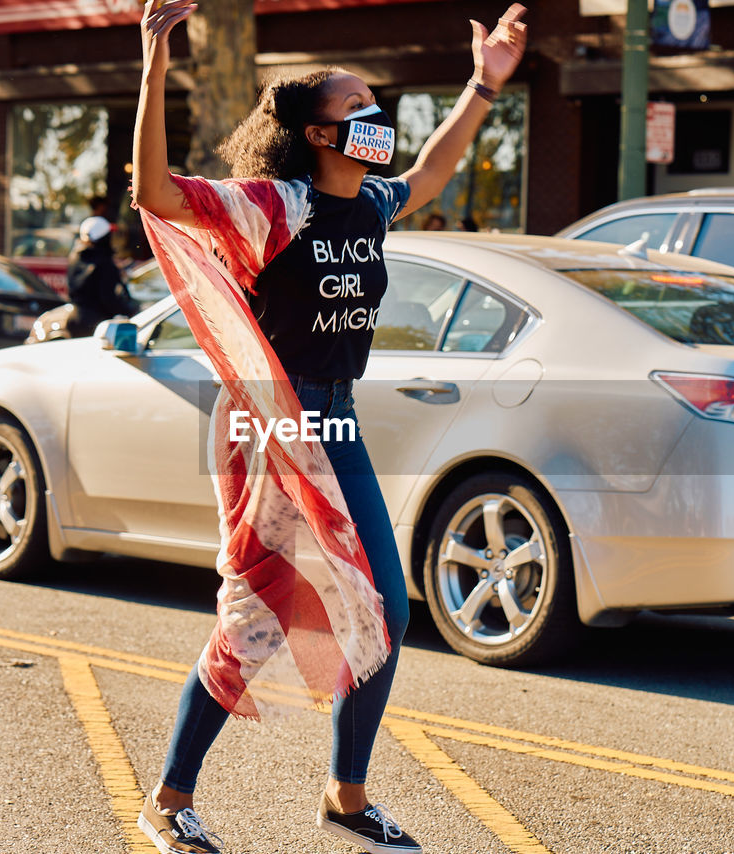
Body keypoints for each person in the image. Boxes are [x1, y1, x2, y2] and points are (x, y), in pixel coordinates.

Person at [131, 2, 526, 852]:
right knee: (252, 622)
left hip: (334, 420)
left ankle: (348, 798)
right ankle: (168, 798)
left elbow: (432, 171)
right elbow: (155, 194)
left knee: (384, 609)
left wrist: (482, 86)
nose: (375, 119)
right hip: (265, 425)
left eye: (375, 105)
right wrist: (155, 72)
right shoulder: (278, 206)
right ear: (316, 132)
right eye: (358, 109)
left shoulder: (370, 203)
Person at [66, 215, 134, 336]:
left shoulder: (75, 255)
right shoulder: (104, 263)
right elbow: (108, 298)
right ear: (105, 238)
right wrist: (129, 312)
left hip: (75, 318)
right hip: (97, 325)